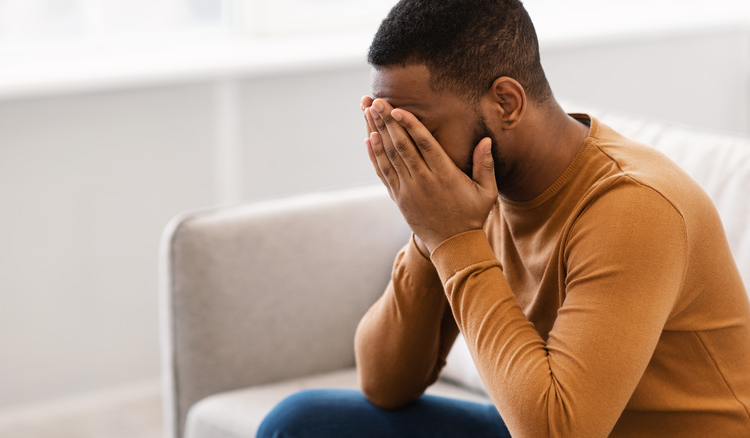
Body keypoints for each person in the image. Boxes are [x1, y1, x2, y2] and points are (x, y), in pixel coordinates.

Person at [257, 0, 750, 436]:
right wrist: (428, 236)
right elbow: (385, 384)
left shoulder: (634, 205)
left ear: (506, 103)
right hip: (534, 419)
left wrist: (453, 238)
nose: (405, 152)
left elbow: (557, 431)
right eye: (388, 126)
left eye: (417, 129)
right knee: (301, 422)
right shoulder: (471, 190)